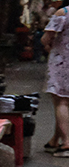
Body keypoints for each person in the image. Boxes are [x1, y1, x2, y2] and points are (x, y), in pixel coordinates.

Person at [43, 1, 69, 155]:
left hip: (63, 61)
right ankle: (54, 139)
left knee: (61, 101)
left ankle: (67, 141)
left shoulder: (63, 13)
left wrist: (47, 44)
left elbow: (46, 38)